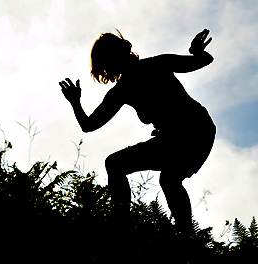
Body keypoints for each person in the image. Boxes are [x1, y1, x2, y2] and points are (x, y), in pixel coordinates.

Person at [59, 29, 216, 236]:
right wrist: (75, 103)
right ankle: (183, 235)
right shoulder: (126, 87)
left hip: (195, 131)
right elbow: (89, 125)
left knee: (145, 172)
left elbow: (204, 61)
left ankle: (124, 226)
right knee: (168, 179)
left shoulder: (154, 66)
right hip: (188, 133)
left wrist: (75, 103)